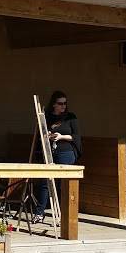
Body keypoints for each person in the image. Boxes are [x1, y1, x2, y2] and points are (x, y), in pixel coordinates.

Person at [34, 90, 81, 223]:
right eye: (60, 103)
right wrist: (48, 135)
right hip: (50, 152)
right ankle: (39, 212)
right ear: (54, 104)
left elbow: (76, 136)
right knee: (45, 182)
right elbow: (41, 134)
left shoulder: (70, 117)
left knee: (62, 184)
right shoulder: (47, 117)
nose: (63, 106)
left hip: (65, 152)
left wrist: (61, 137)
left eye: (65, 103)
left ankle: (63, 215)